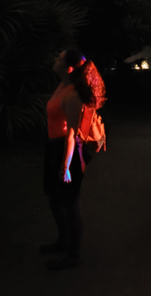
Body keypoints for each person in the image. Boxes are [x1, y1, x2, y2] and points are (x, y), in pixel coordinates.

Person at [41, 48, 106, 270]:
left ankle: (72, 255)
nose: (55, 58)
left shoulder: (74, 95)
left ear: (68, 68)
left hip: (66, 149)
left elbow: (72, 134)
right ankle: (63, 241)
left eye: (59, 57)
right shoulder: (63, 85)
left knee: (70, 203)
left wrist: (66, 166)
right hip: (53, 147)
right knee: (54, 199)